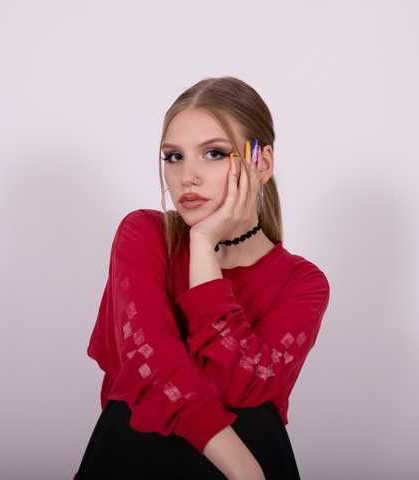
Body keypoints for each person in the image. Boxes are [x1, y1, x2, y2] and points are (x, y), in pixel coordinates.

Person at [74, 76, 331, 479]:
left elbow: (246, 385)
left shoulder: (302, 283)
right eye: (173, 156)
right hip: (139, 459)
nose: (187, 176)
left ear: (261, 163)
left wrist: (203, 249)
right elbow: (151, 367)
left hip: (247, 451)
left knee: (252, 415)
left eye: (213, 153)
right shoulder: (143, 234)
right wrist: (243, 468)